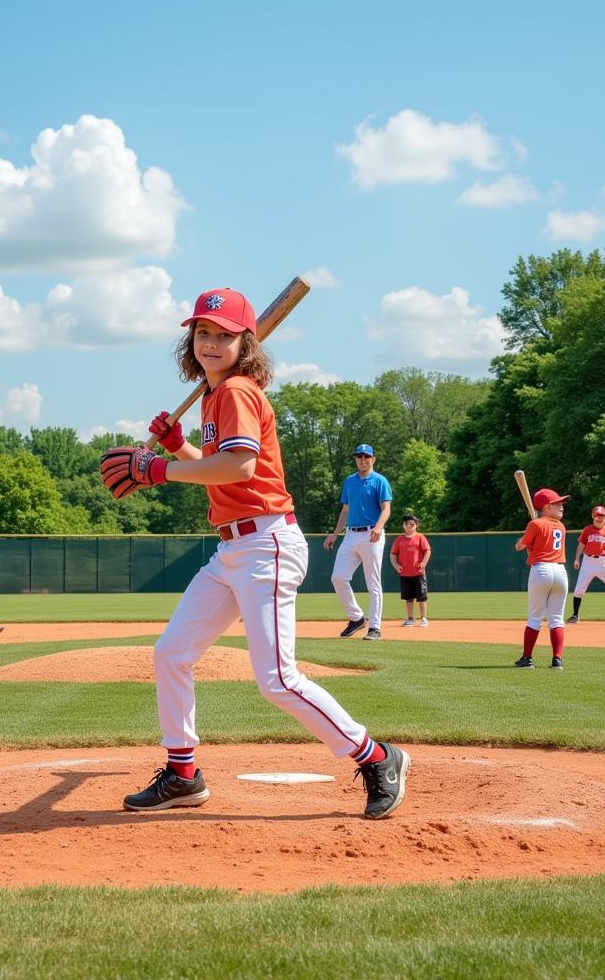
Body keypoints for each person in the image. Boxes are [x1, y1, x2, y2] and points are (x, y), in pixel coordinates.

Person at [100, 287, 409, 820]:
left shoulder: (238, 391)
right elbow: (219, 473)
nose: (212, 343)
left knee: (279, 680)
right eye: (203, 333)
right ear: (190, 340)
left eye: (225, 334)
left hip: (264, 543)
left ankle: (377, 756)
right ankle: (182, 774)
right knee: (172, 652)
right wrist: (177, 448)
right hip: (234, 549)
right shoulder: (219, 398)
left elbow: (240, 467)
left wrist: (158, 470)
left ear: (247, 343)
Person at [323, 444, 392, 640]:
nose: (362, 459)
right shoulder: (349, 481)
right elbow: (345, 510)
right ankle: (357, 618)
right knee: (338, 577)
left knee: (373, 583)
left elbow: (386, 509)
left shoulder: (380, 480)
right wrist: (335, 533)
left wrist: (378, 528)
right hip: (350, 535)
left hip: (372, 533)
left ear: (373, 459)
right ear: (355, 459)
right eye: (359, 456)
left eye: (366, 456)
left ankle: (375, 627)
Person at [514, 487, 569, 670]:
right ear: (546, 507)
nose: (562, 506)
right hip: (560, 573)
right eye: (557, 504)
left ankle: (527, 659)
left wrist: (527, 533)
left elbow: (520, 547)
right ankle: (557, 660)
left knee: (534, 617)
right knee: (556, 619)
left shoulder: (536, 524)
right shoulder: (561, 526)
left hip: (542, 570)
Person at [389, 514, 432, 627]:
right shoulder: (399, 539)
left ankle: (423, 618)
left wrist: (423, 564)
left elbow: (427, 551)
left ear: (416, 525)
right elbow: (393, 554)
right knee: (408, 598)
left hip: (418, 573)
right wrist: (396, 565)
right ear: (403, 525)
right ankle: (410, 618)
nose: (409, 526)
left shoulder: (420, 537)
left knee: (421, 597)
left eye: (412, 524)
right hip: (405, 573)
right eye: (407, 524)